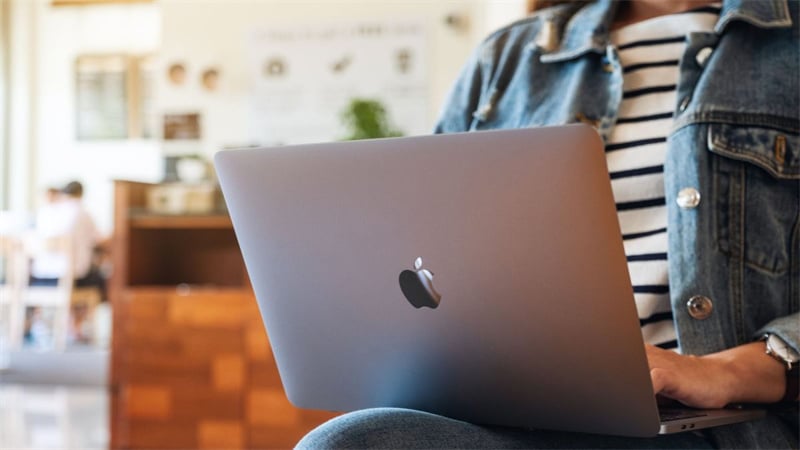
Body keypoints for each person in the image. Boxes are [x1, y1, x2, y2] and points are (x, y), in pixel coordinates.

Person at [298, 0, 799, 448]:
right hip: (515, 411)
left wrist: (724, 370)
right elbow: (420, 240)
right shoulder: (510, 58)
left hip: (722, 426)